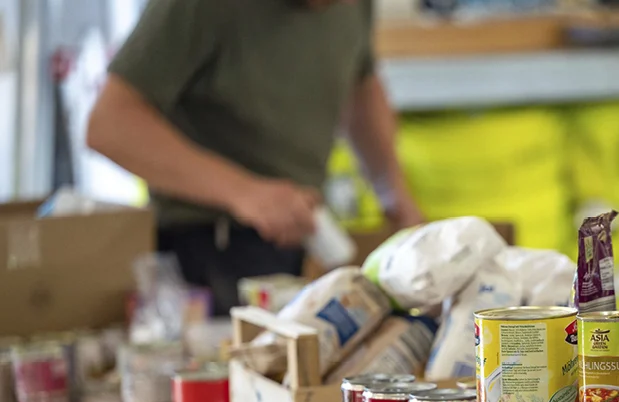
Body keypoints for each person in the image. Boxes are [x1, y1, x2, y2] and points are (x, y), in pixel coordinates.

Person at [87, 0, 422, 314]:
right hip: (209, 249)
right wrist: (245, 193)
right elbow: (111, 124)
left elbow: (361, 82)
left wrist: (395, 194)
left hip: (297, 238)